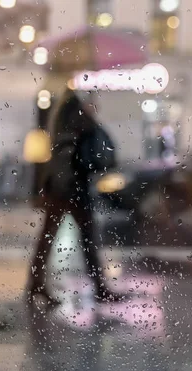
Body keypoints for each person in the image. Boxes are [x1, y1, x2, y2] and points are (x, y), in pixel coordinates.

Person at [28, 89, 123, 304]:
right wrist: (66, 184)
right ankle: (98, 287)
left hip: (65, 185)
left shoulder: (63, 106)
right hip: (71, 186)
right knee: (85, 237)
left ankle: (36, 285)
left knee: (51, 237)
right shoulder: (71, 108)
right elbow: (67, 149)